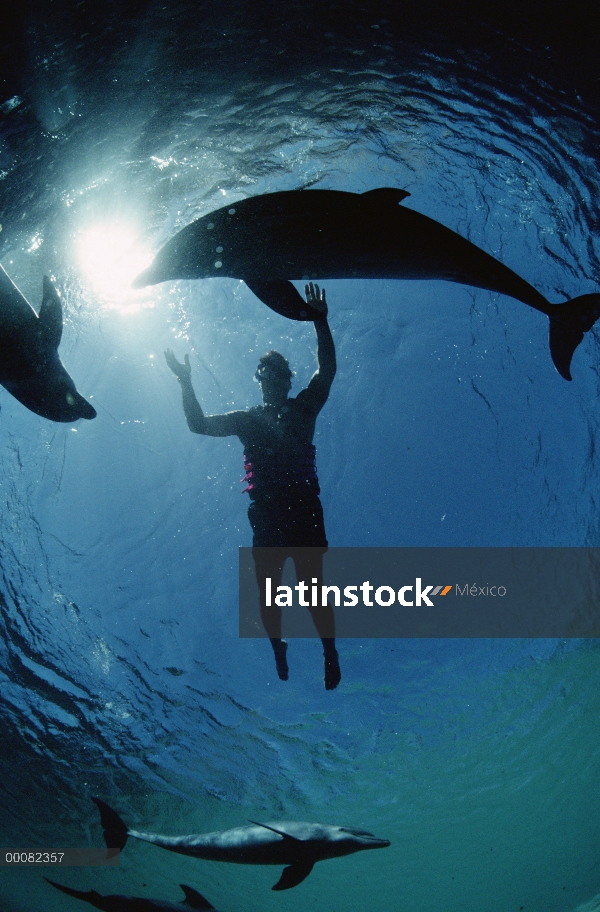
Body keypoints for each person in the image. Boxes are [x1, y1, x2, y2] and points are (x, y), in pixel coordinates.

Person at [165, 283, 341, 690]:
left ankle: (329, 650)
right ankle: (279, 647)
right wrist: (185, 382)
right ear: (259, 379)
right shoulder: (247, 419)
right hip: (266, 513)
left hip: (303, 509)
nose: (270, 379)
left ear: (286, 379)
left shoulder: (303, 408)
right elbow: (198, 424)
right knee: (268, 593)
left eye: (277, 372)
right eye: (264, 372)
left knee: (314, 591)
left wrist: (321, 321)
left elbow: (327, 370)